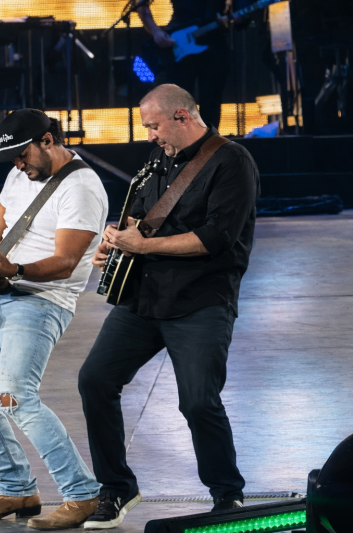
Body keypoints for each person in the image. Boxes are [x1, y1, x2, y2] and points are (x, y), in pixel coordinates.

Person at [78, 84, 260, 529]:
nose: (150, 136)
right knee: (95, 380)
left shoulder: (232, 161)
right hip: (144, 298)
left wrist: (143, 245)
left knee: (198, 402)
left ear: (182, 116)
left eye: (153, 126)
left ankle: (227, 495)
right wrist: (115, 240)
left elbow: (215, 238)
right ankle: (117, 488)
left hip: (200, 302)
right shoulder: (159, 160)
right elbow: (141, 220)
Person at [0, 109, 108, 530]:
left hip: (41, 300)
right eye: (12, 159)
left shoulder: (81, 188)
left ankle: (82, 493)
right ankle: (14, 488)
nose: (18, 165)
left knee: (15, 395)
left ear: (47, 140)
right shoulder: (20, 175)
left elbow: (66, 262)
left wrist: (14, 270)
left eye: (22, 155)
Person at [137, 0, 247, 130]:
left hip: (215, 42)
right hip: (180, 40)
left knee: (211, 100)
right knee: (178, 101)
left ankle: (208, 140)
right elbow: (141, 4)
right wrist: (156, 31)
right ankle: (181, 139)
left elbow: (237, 10)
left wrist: (238, 16)